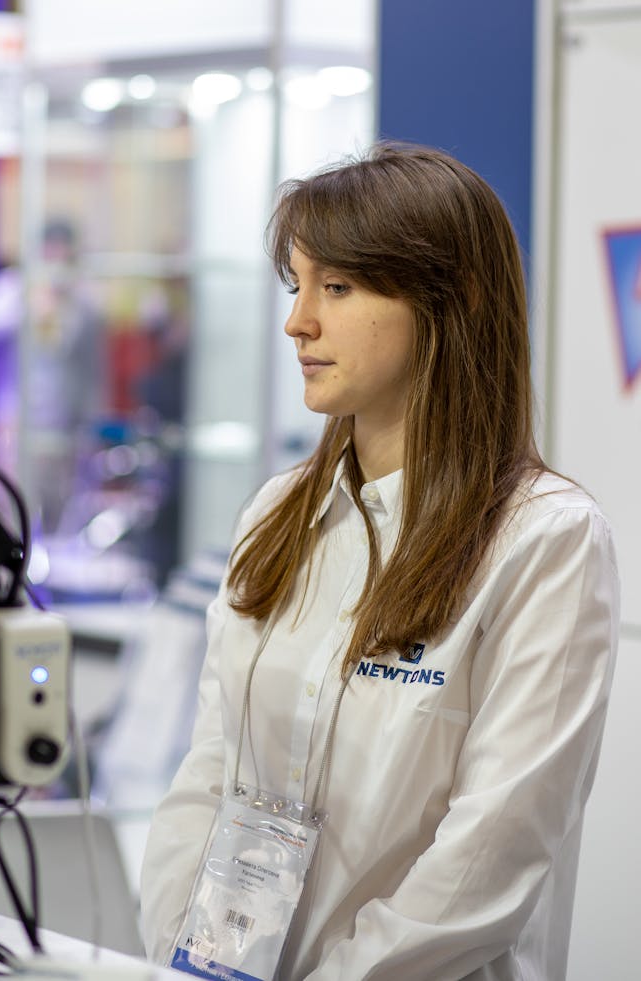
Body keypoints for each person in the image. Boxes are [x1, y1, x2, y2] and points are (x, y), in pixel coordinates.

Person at [139, 142, 619, 980]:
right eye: (298, 286)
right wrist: (179, 955)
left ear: (451, 301)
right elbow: (209, 772)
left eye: (339, 287)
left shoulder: (546, 540)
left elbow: (489, 858)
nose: (298, 323)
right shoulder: (278, 513)